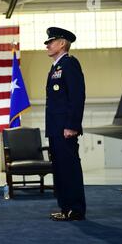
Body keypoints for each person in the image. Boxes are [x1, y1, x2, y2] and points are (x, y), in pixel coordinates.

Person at [44, 27, 86, 221]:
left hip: (65, 128)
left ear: (62, 44)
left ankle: (75, 209)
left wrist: (72, 125)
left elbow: (77, 97)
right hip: (55, 128)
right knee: (60, 169)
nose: (47, 45)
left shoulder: (70, 64)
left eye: (51, 42)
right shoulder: (55, 68)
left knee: (69, 168)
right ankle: (65, 207)